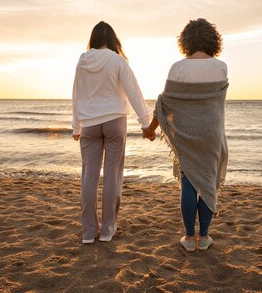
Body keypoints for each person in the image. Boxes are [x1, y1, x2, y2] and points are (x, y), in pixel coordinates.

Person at [144, 18, 228, 252]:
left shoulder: (177, 68)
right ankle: (205, 237)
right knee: (209, 185)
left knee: (188, 182)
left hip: (185, 133)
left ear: (186, 41)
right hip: (211, 133)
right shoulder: (221, 67)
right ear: (213, 41)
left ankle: (189, 238)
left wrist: (151, 129)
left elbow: (165, 104)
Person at [72, 21, 153, 244]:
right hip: (115, 122)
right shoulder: (118, 61)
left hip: (89, 123)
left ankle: (88, 232)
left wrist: (76, 125)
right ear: (114, 40)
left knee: (89, 176)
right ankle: (107, 230)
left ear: (93, 39)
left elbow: (76, 94)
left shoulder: (82, 61)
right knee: (112, 176)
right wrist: (146, 123)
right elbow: (134, 92)